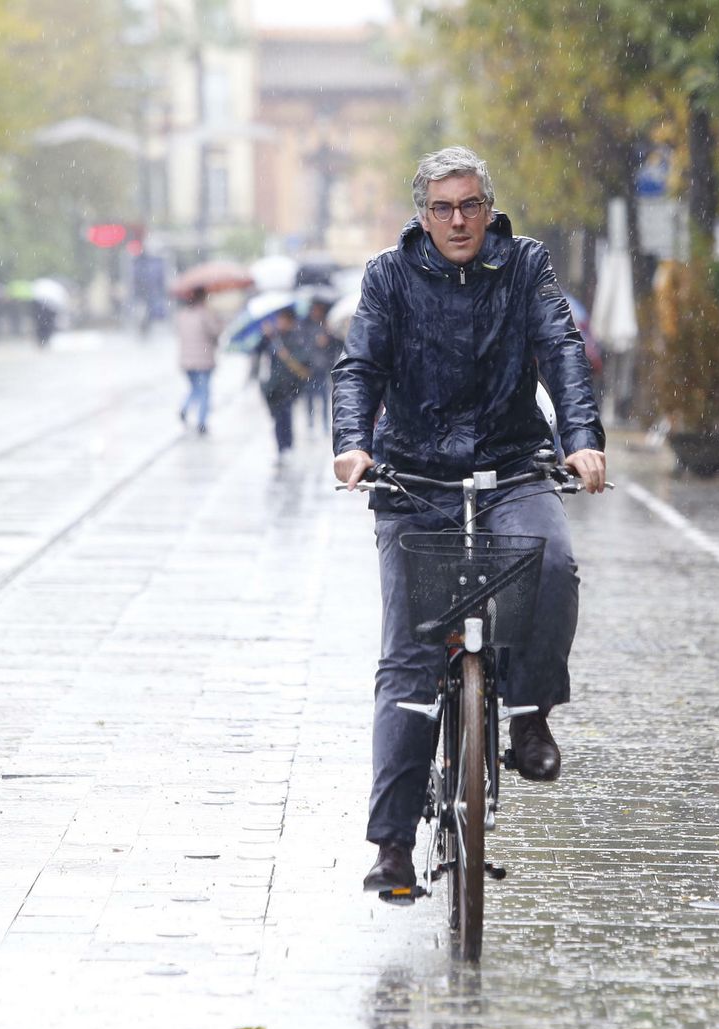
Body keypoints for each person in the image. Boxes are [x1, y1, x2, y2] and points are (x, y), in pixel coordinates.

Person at [332, 146, 606, 894]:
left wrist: (580, 440)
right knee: (412, 657)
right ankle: (391, 844)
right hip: (414, 476)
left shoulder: (526, 267)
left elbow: (562, 350)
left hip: (513, 465)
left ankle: (528, 711)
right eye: (443, 208)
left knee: (552, 564)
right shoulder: (389, 276)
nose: (458, 220)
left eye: (471, 206)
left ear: (490, 207)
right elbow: (360, 366)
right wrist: (353, 446)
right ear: (422, 215)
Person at [254, 307, 312, 455]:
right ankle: (282, 446)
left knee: (284, 416)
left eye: (283, 320)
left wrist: (286, 355)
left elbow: (303, 360)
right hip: (273, 386)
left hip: (289, 385)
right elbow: (257, 350)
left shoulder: (296, 337)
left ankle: (286, 446)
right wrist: (265, 335)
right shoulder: (273, 337)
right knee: (277, 417)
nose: (280, 323)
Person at [174, 286, 224, 436]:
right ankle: (202, 423)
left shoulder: (182, 315)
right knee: (204, 392)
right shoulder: (205, 314)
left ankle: (184, 407)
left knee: (195, 389)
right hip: (203, 360)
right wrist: (217, 319)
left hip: (186, 361)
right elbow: (216, 331)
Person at [295, 295, 340, 432]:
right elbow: (301, 344)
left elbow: (336, 345)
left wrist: (328, 338)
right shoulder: (304, 325)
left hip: (324, 365)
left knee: (324, 396)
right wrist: (315, 342)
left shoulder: (327, 324)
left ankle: (325, 424)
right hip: (309, 366)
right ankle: (311, 423)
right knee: (309, 396)